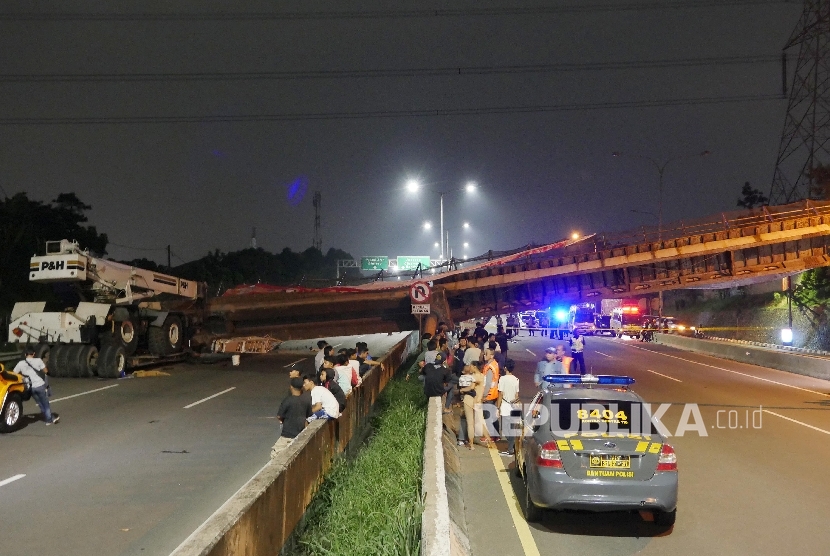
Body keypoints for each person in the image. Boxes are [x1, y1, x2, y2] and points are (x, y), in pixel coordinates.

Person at [14, 349, 59, 425]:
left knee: (39, 403)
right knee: (45, 403)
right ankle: (49, 420)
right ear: (34, 354)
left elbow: (14, 373)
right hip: (40, 385)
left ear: (25, 355)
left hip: (30, 387)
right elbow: (45, 371)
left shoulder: (21, 363)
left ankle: (49, 417)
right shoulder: (38, 360)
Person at [271, 377, 312, 456]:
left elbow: (279, 416)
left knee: (275, 454)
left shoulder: (288, 400)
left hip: (287, 434)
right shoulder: (306, 400)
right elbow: (309, 415)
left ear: (291, 387)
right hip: (300, 432)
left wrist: (283, 420)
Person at [458, 363, 492, 449]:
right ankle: (488, 439)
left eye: (471, 366)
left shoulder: (474, 377)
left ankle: (471, 445)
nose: (470, 368)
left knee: (470, 423)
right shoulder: (482, 376)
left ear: (475, 367)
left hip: (469, 400)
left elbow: (471, 388)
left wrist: (462, 390)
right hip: (478, 401)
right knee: (481, 421)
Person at [497, 359, 520, 456]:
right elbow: (516, 395)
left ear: (505, 367)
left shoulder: (502, 379)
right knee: (511, 428)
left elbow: (501, 394)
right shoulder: (516, 379)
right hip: (514, 406)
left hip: (505, 406)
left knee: (505, 429)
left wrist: (497, 407)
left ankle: (511, 449)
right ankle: (512, 447)